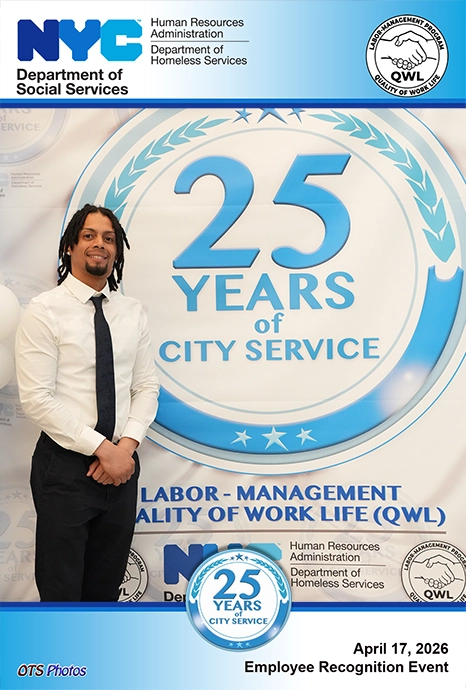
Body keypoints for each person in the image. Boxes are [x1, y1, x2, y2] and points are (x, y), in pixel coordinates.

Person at [15, 204, 159, 601]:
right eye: (89, 236)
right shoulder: (45, 310)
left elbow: (146, 386)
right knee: (60, 593)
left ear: (117, 251)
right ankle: (61, 648)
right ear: (70, 247)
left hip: (121, 470)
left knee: (105, 592)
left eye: (109, 238)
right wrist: (103, 451)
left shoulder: (131, 312)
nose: (101, 245)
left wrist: (124, 449)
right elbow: (37, 398)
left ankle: (96, 647)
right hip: (65, 469)